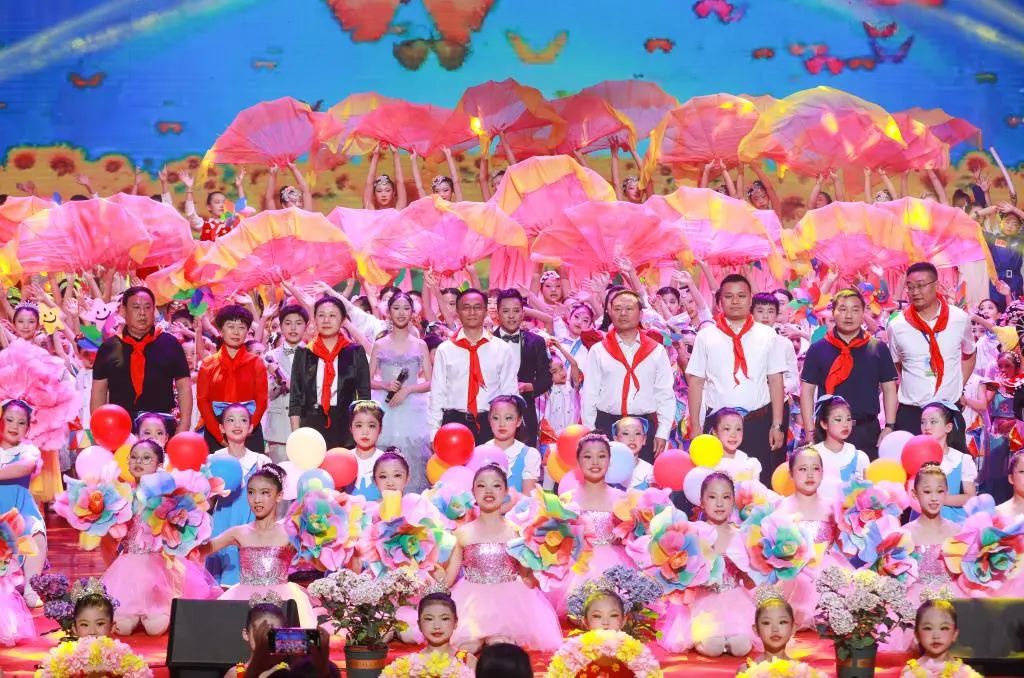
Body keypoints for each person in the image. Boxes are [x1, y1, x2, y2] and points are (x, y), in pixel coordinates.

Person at [102, 440, 220, 636]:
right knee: (122, 628)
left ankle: (156, 610)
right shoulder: (122, 495)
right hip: (128, 566)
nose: (139, 461)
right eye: (134, 457)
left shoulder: (169, 496)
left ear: (159, 465)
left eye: (146, 458)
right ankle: (131, 611)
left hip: (158, 566)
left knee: (155, 628)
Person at [443, 465, 561, 651]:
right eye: (481, 485)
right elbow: (448, 578)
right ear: (472, 492)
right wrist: (425, 578)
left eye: (496, 485)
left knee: (500, 646)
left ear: (505, 492)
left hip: (509, 605)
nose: (488, 491)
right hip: (470, 604)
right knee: (467, 647)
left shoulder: (517, 532)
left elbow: (526, 575)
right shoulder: (462, 533)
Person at [687, 275, 787, 485]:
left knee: (758, 485)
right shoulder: (706, 336)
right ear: (719, 301)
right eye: (728, 296)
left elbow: (776, 380)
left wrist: (777, 425)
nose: (735, 301)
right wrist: (695, 426)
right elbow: (696, 382)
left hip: (757, 422)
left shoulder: (767, 335)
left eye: (741, 296)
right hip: (717, 425)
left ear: (750, 299)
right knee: (715, 485)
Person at [198, 464, 317, 627]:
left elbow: (319, 558)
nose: (257, 499)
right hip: (243, 601)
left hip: (281, 600)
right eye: (251, 492)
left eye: (265, 493)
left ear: (279, 496)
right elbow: (200, 551)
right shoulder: (238, 532)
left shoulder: (290, 531)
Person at [801, 288, 899, 459]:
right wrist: (810, 431)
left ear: (863, 313)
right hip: (828, 432)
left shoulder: (877, 348)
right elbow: (807, 392)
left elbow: (890, 389)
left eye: (855, 310)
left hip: (867, 431)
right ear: (833, 312)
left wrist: (889, 426)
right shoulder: (818, 349)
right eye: (842, 309)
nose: (848, 316)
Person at [583, 289, 675, 463]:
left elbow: (665, 395)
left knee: (644, 476)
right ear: (610, 313)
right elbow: (589, 394)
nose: (623, 313)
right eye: (617, 309)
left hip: (644, 427)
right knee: (607, 475)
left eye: (629, 308)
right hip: (606, 425)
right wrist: (590, 432)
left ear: (640, 314)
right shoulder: (598, 350)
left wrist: (663, 432)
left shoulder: (656, 351)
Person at [887, 262, 976, 434]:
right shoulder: (897, 325)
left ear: (936, 285)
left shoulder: (959, 318)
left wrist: (959, 386)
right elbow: (896, 365)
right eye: (910, 287)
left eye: (921, 285)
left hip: (948, 409)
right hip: (912, 412)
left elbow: (969, 354)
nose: (915, 292)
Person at [548, 434, 631, 617]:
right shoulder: (567, 499)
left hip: (615, 563)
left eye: (601, 456)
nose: (595, 462)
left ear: (609, 461)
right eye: (587, 456)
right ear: (578, 461)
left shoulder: (622, 498)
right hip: (578, 566)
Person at [91, 286, 192, 429]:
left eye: (147, 307)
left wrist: (184, 426)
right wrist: (99, 428)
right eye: (136, 307)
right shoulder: (108, 348)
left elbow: (184, 387)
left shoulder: (170, 343)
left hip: (161, 427)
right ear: (124, 310)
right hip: (120, 428)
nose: (142, 313)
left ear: (154, 310)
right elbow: (99, 392)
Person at [428, 289, 517, 444]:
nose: (472, 312)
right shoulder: (445, 349)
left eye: (477, 307)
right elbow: (437, 393)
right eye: (466, 307)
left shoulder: (502, 349)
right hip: (453, 422)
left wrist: (509, 428)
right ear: (458, 312)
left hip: (491, 422)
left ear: (485, 311)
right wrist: (434, 432)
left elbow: (510, 392)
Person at [776, 447, 850, 630]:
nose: (810, 474)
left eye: (815, 469)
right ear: (791, 474)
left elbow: (844, 545)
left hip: (827, 572)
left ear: (822, 473)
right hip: (793, 573)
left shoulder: (832, 508)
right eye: (802, 469)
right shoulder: (780, 507)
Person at [369, 292, 433, 492]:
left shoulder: (420, 344)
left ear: (413, 312)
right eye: (396, 308)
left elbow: (431, 382)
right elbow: (367, 381)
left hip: (413, 409)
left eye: (406, 308)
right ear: (388, 312)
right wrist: (385, 385)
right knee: (384, 455)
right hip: (385, 406)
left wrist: (409, 389)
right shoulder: (379, 344)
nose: (401, 313)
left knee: (413, 456)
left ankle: (413, 502)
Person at [686, 472, 754, 657]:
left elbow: (749, 581)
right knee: (714, 647)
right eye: (712, 497)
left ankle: (730, 639)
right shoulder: (694, 532)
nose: (719, 503)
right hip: (704, 601)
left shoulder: (741, 534)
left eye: (725, 497)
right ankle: (707, 640)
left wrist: (749, 571)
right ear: (702, 501)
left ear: (733, 501)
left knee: (741, 647)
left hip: (736, 601)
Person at [288, 296, 371, 448]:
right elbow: (295, 397)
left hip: (346, 427)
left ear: (343, 320)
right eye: (321, 315)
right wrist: (296, 434)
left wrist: (362, 430)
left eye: (332, 315)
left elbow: (364, 396)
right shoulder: (304, 353)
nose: (326, 320)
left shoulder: (355, 352)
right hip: (310, 427)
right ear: (314, 319)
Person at [207, 403, 273, 585]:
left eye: (243, 420)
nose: (237, 425)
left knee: (246, 585)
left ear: (250, 427)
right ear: (221, 427)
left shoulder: (260, 461)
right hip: (222, 525)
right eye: (230, 420)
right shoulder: (213, 460)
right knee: (220, 586)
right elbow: (208, 503)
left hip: (251, 527)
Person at [197, 304, 268, 452]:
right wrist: (218, 435)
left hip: (250, 430)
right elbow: (203, 402)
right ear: (221, 330)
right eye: (230, 326)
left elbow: (262, 400)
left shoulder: (256, 363)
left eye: (241, 327)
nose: (236, 332)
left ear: (247, 332)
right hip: (216, 431)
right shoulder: (208, 364)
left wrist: (248, 428)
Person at [0, 400, 47, 608]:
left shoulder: (28, 450)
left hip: (19, 508)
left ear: (27, 428)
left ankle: (31, 587)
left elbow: (24, 468)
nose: (14, 426)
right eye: (9, 420)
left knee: (35, 531)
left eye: (21, 423)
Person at [494, 290, 552, 448]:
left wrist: (529, 387)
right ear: (497, 314)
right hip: (493, 415)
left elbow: (546, 379)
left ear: (522, 313)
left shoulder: (536, 342)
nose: (511, 316)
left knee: (526, 458)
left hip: (526, 413)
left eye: (516, 311)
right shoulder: (487, 342)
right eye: (506, 311)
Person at [382, 593, 476, 675]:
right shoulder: (408, 664)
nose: (437, 626)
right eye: (429, 619)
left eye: (444, 619)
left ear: (455, 623)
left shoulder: (468, 661)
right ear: (419, 624)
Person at [264, 304, 309, 462]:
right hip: (278, 428)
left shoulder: (314, 355)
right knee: (278, 472)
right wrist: (277, 382)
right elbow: (267, 395)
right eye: (288, 323)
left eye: (298, 323)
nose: (293, 328)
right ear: (281, 327)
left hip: (306, 426)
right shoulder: (269, 356)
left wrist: (290, 383)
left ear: (306, 326)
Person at [920, 401, 977, 521]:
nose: (927, 427)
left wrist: (939, 499)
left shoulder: (961, 459)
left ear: (948, 427)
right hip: (921, 521)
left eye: (933, 422)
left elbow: (970, 497)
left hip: (951, 521)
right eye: (923, 422)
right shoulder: (916, 455)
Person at [809, 395, 869, 497]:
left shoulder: (859, 457)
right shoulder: (811, 455)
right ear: (824, 424)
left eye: (848, 419)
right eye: (838, 419)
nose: (845, 424)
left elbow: (867, 495)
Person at [901, 600, 981, 678]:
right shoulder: (911, 673)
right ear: (917, 634)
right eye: (928, 628)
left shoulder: (965, 673)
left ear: (954, 634)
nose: (936, 636)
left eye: (944, 628)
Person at [484, 395, 540, 494]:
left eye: (508, 418)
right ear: (489, 420)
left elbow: (528, 498)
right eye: (496, 418)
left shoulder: (529, 455)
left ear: (518, 421)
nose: (501, 424)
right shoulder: (480, 452)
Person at [224, 601, 288, 678]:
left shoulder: (286, 671)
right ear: (246, 634)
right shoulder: (237, 673)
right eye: (260, 631)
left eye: (273, 633)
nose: (266, 637)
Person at [348, 403, 387, 500]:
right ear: (351, 428)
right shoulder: (345, 458)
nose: (365, 432)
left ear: (380, 429)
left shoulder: (386, 460)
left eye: (371, 426)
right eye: (359, 426)